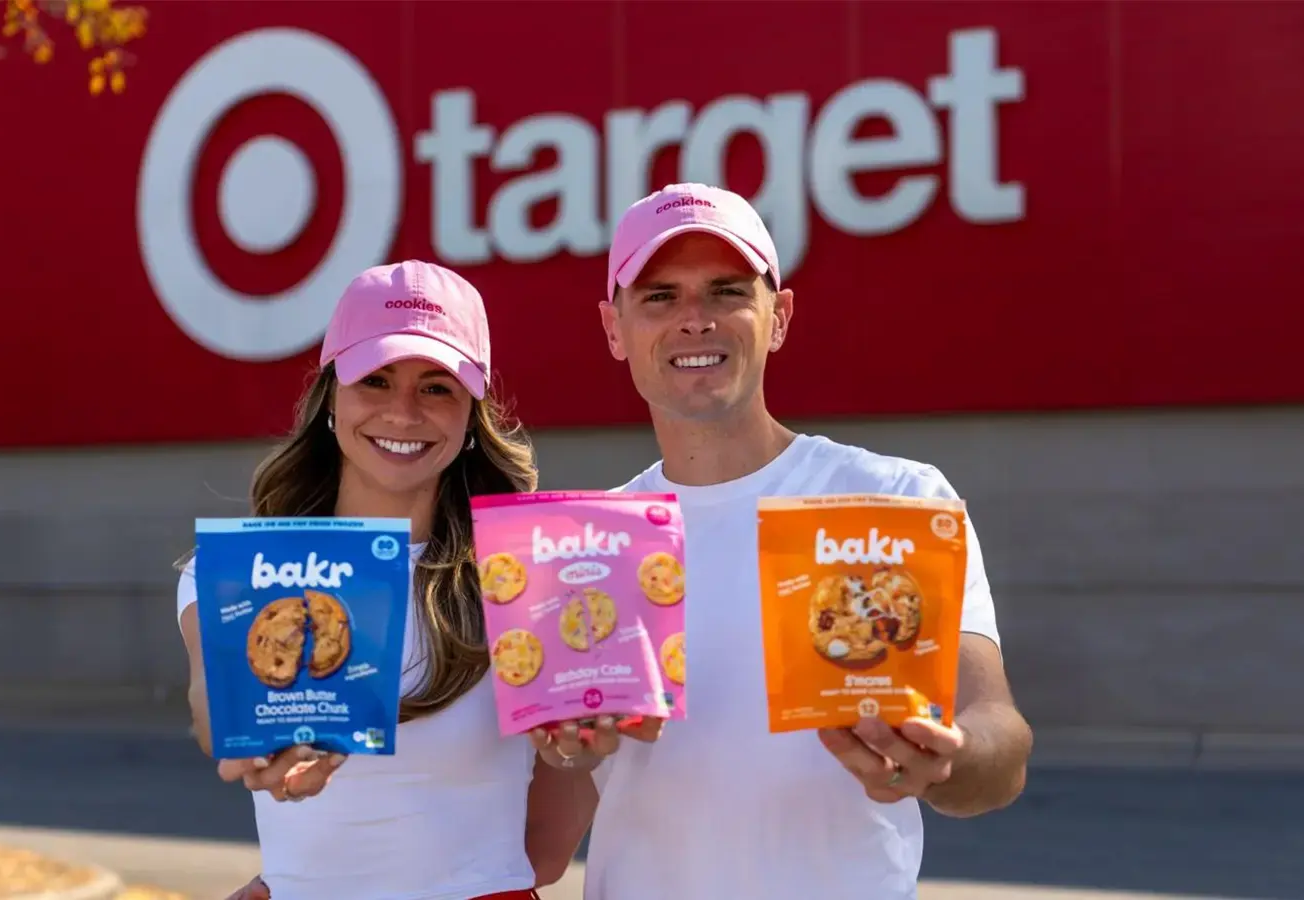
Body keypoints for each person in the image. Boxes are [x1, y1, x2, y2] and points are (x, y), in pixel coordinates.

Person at [528, 183, 1035, 899]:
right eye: (660, 296)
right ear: (614, 328)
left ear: (780, 317)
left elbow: (999, 742)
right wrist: (564, 752)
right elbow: (545, 843)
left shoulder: (893, 501)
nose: (694, 320)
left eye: (727, 291)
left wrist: (948, 760)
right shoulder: (587, 550)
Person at [178, 261, 631, 900]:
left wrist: (578, 754)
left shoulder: (530, 574)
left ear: (473, 416)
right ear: (331, 398)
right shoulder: (239, 572)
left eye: (437, 387)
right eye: (377, 380)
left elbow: (546, 847)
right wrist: (259, 752)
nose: (403, 411)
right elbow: (211, 709)